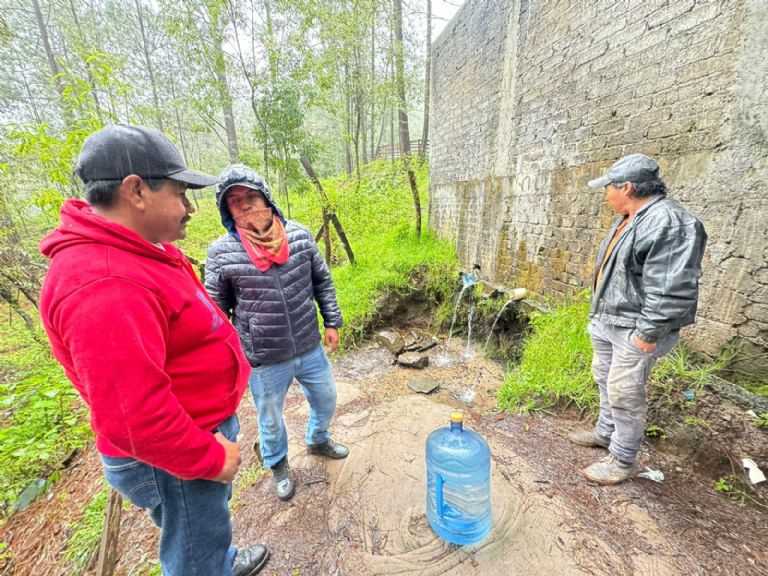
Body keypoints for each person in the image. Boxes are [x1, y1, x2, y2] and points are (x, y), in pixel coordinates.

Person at [39, 125, 269, 575]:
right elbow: (132, 416)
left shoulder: (137, 251)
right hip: (178, 454)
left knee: (205, 532)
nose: (189, 207)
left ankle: (218, 562)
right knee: (193, 553)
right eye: (181, 193)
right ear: (136, 190)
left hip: (192, 436)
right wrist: (210, 457)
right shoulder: (104, 282)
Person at [205, 164, 347, 502]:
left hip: (308, 344)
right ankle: (279, 463)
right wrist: (224, 358)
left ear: (266, 197)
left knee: (326, 399)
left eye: (250, 196)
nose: (245, 205)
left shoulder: (298, 235)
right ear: (227, 211)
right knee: (270, 418)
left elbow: (321, 281)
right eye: (235, 201)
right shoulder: (222, 252)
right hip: (264, 358)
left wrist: (331, 321)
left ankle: (317, 437)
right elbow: (213, 311)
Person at [569, 153, 707, 485]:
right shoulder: (632, 216)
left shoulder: (670, 223)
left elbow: (672, 287)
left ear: (627, 187)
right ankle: (605, 432)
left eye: (609, 188)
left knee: (625, 391)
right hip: (609, 319)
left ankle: (623, 459)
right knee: (603, 376)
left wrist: (647, 334)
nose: (606, 195)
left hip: (635, 327)